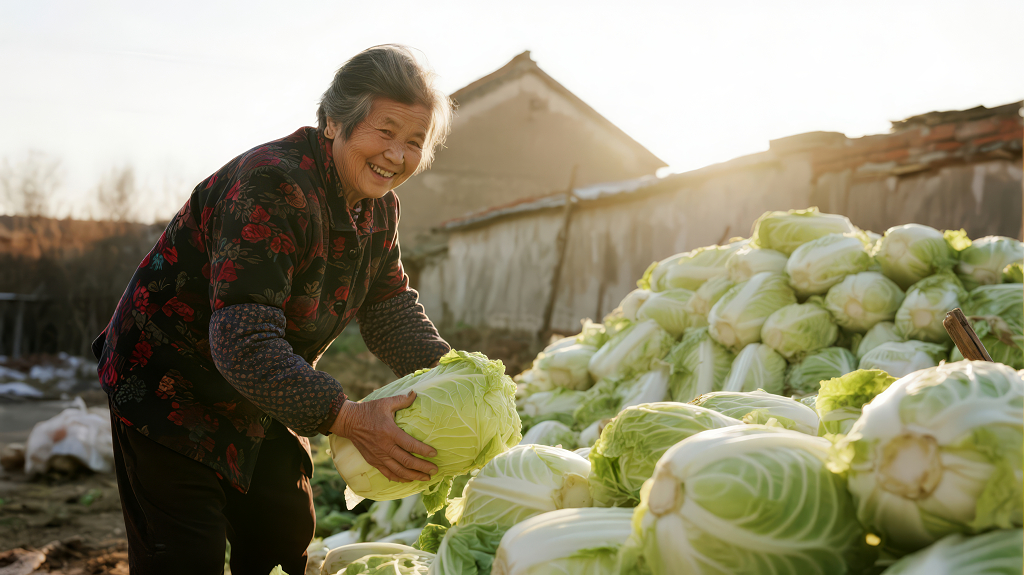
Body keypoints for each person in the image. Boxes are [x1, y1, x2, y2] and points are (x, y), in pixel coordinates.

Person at [92, 45, 455, 575]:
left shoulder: (379, 207)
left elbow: (388, 305)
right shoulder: (272, 184)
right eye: (385, 131)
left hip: (259, 383)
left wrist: (456, 376)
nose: (398, 155)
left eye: (415, 141)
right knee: (185, 551)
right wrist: (350, 419)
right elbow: (243, 340)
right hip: (169, 381)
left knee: (281, 531)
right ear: (334, 122)